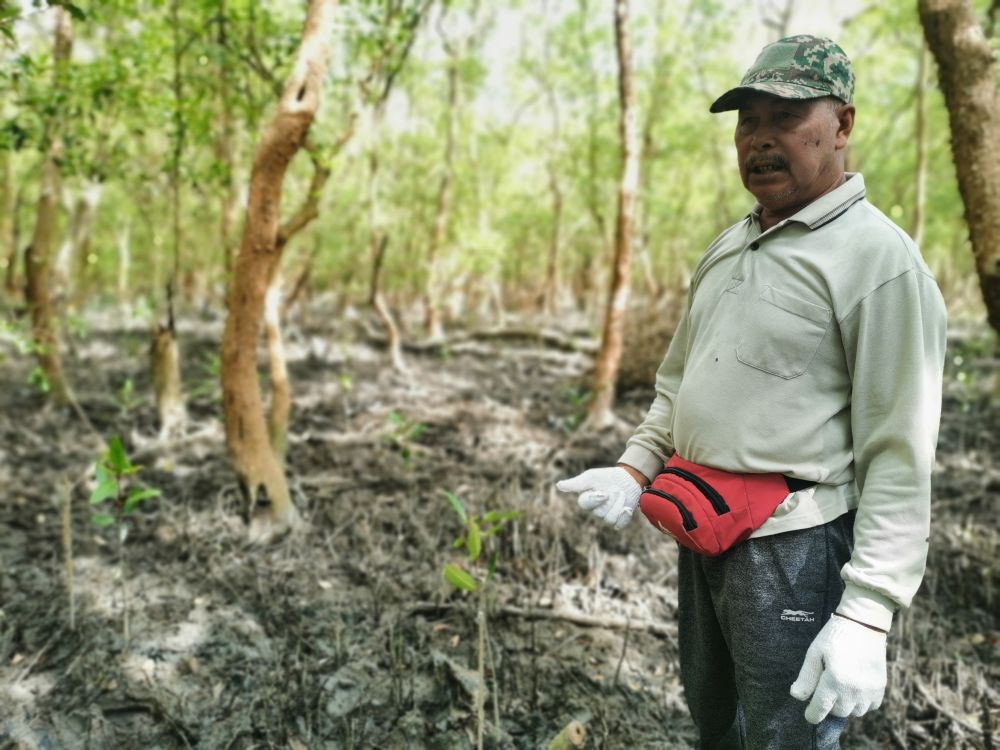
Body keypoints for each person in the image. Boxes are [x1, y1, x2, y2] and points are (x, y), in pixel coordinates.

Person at [557, 35, 947, 749]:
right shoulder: (730, 244)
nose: (760, 140)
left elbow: (900, 448)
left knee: (784, 738)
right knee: (714, 719)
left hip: (794, 549)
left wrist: (868, 612)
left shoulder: (879, 260)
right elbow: (678, 382)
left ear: (842, 125)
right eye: (747, 121)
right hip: (701, 526)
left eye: (787, 118)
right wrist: (633, 466)